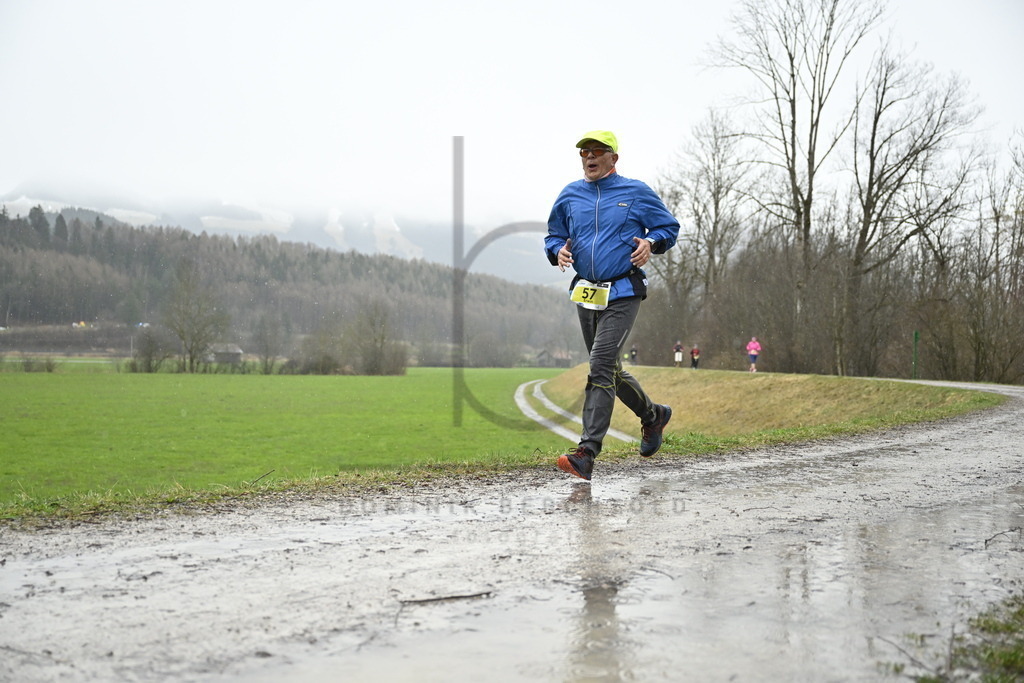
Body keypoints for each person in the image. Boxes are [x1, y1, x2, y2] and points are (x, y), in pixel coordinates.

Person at [545, 130, 681, 481]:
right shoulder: (570, 194)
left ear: (613, 158)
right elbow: (554, 233)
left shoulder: (635, 191)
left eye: (597, 152)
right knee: (609, 370)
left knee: (600, 365)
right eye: (584, 153)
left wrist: (652, 241)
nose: (589, 157)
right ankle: (653, 416)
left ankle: (586, 453)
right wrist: (556, 249)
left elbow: (668, 227)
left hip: (623, 290)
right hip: (587, 292)